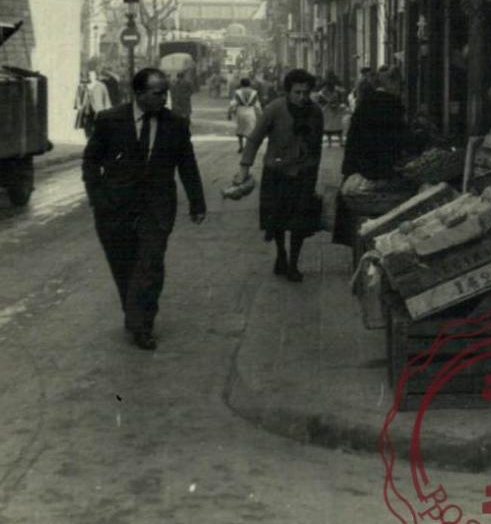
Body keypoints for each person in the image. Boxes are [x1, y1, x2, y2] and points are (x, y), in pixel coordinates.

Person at [82, 67, 207, 350]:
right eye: (157, 93)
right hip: (114, 210)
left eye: (166, 92)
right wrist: (97, 197)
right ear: (138, 94)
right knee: (124, 267)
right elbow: (90, 162)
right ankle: (134, 313)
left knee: (150, 265)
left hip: (157, 208)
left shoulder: (175, 124)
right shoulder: (109, 120)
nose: (164, 97)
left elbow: (187, 165)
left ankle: (143, 325)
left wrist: (197, 203)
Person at [234, 68, 323, 283]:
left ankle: (293, 263)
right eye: (297, 92)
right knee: (278, 219)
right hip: (277, 172)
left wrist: (312, 174)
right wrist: (245, 168)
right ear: (288, 92)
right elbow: (254, 139)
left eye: (306, 92)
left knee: (300, 221)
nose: (302, 97)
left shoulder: (316, 112)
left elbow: (317, 146)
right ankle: (281, 254)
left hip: (304, 173)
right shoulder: (275, 109)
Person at [341, 65, 410, 181]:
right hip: (376, 170)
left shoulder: (366, 101)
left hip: (357, 167)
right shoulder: (392, 104)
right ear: (392, 83)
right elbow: (396, 137)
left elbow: (354, 137)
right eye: (400, 85)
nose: (401, 90)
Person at [228, 77, 262, 153]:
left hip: (240, 111)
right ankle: (247, 147)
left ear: (241, 84)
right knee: (250, 129)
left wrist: (229, 113)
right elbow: (257, 105)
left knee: (240, 129)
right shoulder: (254, 92)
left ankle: (241, 146)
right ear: (249, 84)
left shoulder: (238, 92)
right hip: (250, 111)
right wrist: (261, 115)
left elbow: (233, 103)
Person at [315, 70, 347, 146]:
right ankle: (338, 141)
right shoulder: (331, 85)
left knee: (333, 125)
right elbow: (342, 91)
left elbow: (319, 94)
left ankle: (332, 142)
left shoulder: (326, 84)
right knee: (333, 125)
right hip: (330, 107)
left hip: (331, 107)